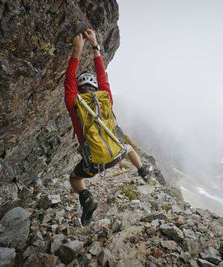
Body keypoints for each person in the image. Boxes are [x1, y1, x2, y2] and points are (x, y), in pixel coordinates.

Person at [64, 29, 152, 226]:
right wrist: (94, 45)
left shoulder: (73, 101)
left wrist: (77, 49)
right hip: (115, 155)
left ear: (78, 89)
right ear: (96, 88)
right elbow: (102, 75)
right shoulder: (106, 98)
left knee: (74, 179)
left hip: (92, 163)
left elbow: (69, 78)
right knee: (128, 148)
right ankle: (143, 170)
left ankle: (87, 199)